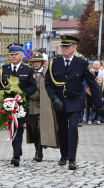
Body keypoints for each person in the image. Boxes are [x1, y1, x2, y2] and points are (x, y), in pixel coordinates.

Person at [45, 35, 104, 170]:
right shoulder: (54, 62)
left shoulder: (82, 63)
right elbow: (48, 83)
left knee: (72, 127)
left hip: (75, 101)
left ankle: (72, 158)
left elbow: (92, 84)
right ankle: (63, 154)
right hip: (59, 102)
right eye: (63, 46)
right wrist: (53, 98)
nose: (64, 48)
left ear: (74, 48)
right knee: (62, 130)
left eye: (67, 46)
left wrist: (99, 104)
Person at [0, 43, 37, 167]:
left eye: (16, 54)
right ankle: (17, 152)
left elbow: (33, 86)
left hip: (21, 105)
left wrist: (21, 95)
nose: (13, 57)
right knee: (12, 128)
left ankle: (16, 155)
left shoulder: (27, 70)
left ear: (22, 55)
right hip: (7, 104)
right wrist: (4, 95)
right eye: (11, 54)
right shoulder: (3, 70)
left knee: (17, 129)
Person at [26, 52, 58, 162]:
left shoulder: (47, 73)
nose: (36, 64)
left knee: (41, 128)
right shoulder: (29, 73)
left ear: (42, 62)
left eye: (38, 62)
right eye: (34, 62)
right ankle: (37, 150)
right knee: (33, 129)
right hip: (30, 104)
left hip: (43, 105)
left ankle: (38, 153)